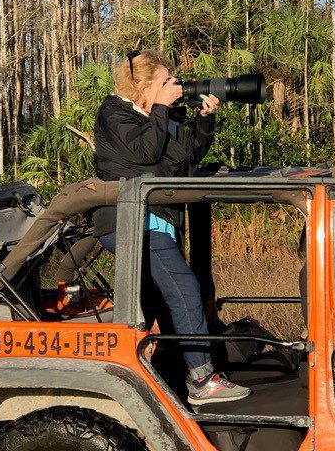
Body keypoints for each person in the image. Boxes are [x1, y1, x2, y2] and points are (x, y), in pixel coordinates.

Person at [93, 48, 250, 405]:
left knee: (158, 304)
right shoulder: (114, 115)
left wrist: (205, 121)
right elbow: (145, 153)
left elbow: (188, 157)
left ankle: (154, 378)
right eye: (165, 82)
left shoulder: (155, 116)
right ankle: (202, 380)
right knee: (185, 292)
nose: (174, 87)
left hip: (158, 223)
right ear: (141, 85)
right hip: (130, 224)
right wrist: (162, 107)